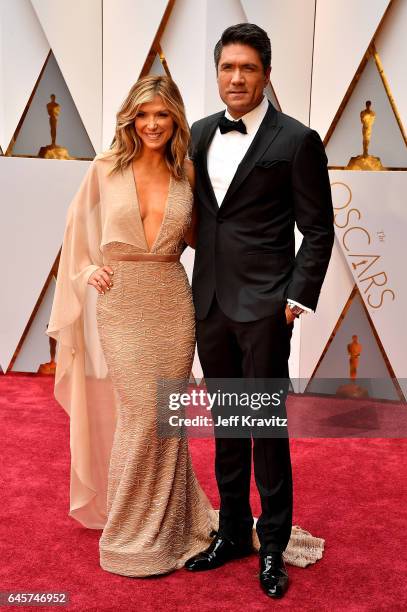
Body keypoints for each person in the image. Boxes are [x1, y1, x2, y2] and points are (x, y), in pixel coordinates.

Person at [184, 24, 334, 599]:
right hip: (211, 304)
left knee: (265, 431)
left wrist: (297, 297)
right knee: (227, 427)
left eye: (247, 68)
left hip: (267, 308)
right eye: (227, 68)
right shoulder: (197, 134)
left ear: (266, 74)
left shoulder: (297, 140)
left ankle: (272, 545)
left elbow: (317, 228)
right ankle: (231, 533)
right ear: (217, 73)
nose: (237, 78)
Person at [46, 75, 218, 577]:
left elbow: (200, 240)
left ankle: (169, 526)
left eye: (161, 115)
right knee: (143, 413)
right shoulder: (105, 168)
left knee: (167, 418)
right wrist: (84, 270)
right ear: (130, 119)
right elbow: (75, 233)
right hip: (121, 300)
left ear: (175, 119)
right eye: (142, 115)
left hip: (170, 299)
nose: (151, 124)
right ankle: (128, 535)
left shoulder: (188, 171)